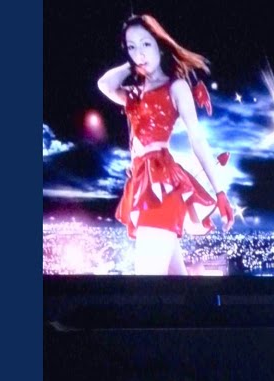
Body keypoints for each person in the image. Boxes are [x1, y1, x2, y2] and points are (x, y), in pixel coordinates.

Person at [97, 15, 234, 275]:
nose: (139, 53)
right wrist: (131, 64)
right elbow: (104, 84)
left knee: (146, 285)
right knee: (175, 285)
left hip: (161, 184)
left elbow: (197, 139)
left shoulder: (176, 87)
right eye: (131, 47)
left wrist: (220, 192)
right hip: (142, 184)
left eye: (146, 44)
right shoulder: (134, 93)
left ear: (159, 45)